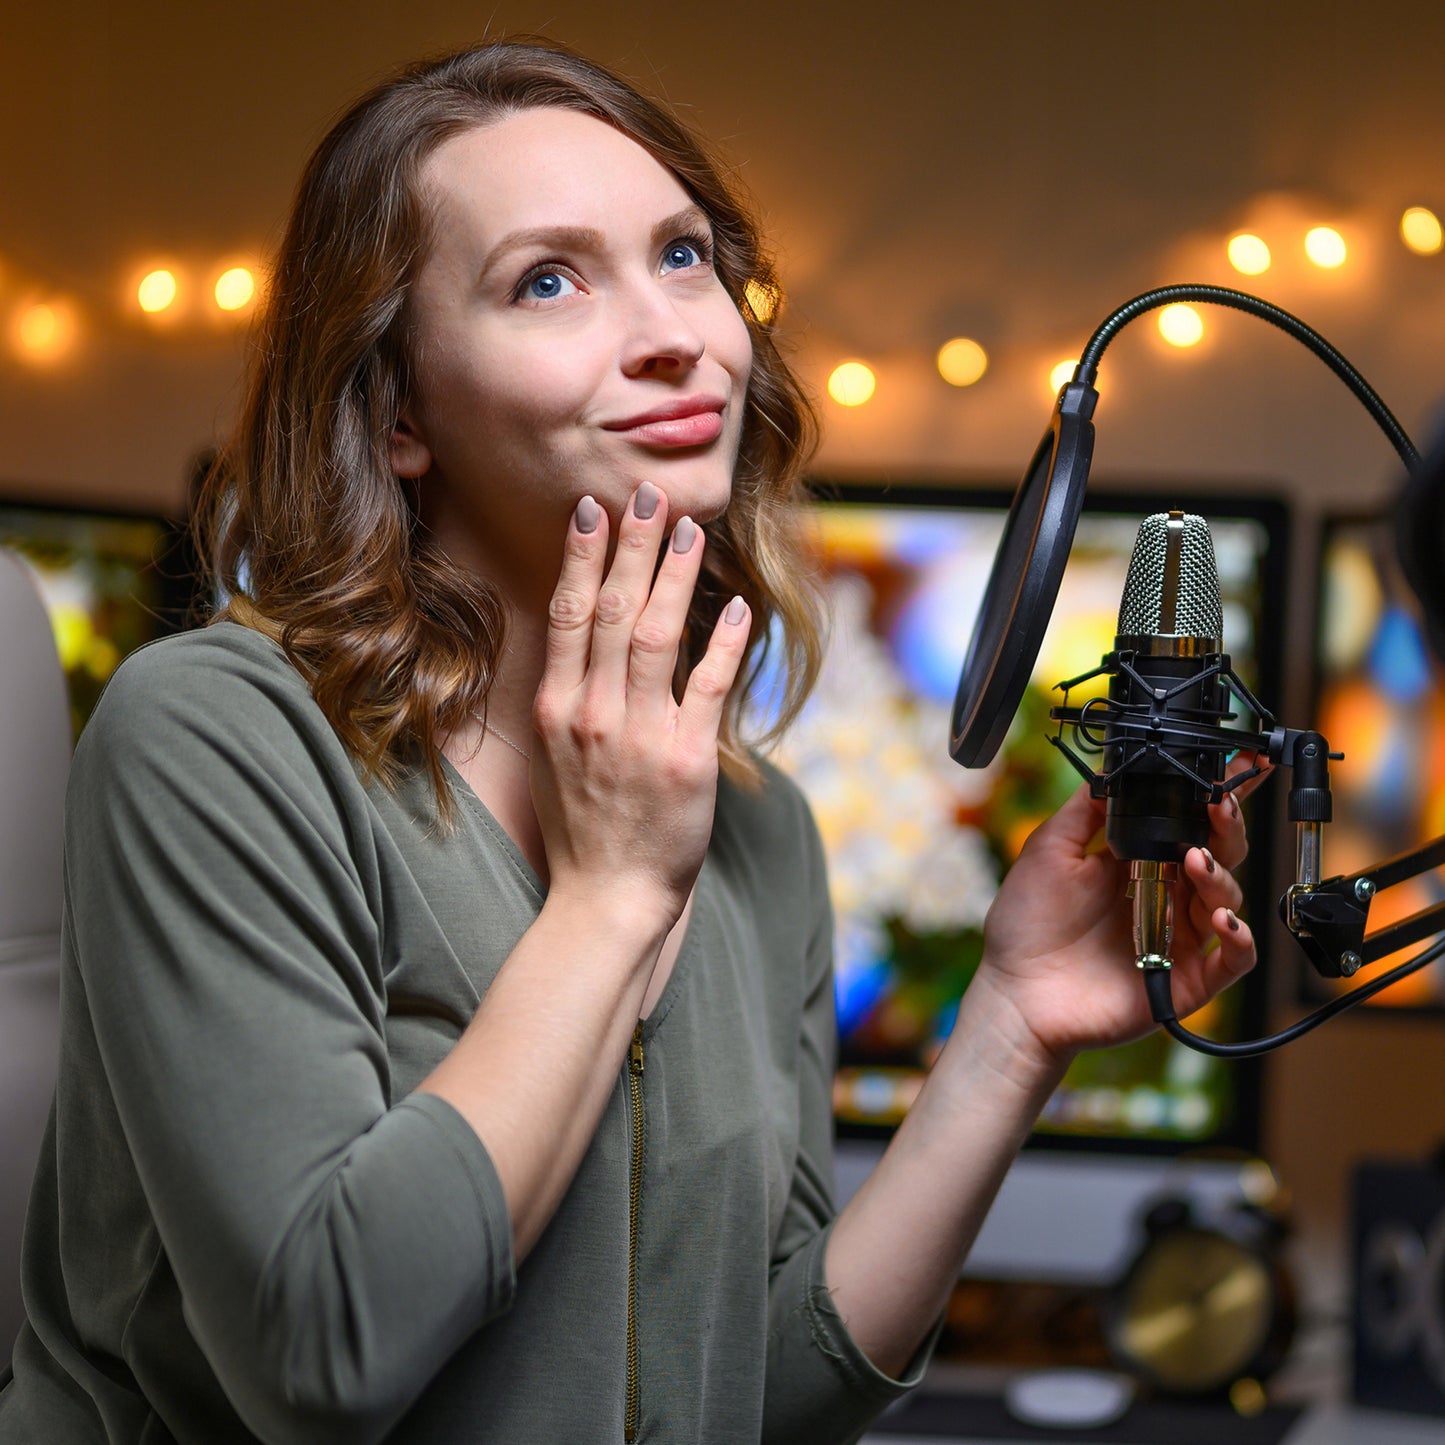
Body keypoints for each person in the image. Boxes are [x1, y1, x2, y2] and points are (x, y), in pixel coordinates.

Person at [0, 38, 1261, 1444]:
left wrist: (1010, 1035)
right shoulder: (218, 738)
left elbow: (751, 1391)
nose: (675, 329)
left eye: (682, 254)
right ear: (399, 410)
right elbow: (322, 1354)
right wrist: (608, 895)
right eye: (547, 279)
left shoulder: (754, 823)